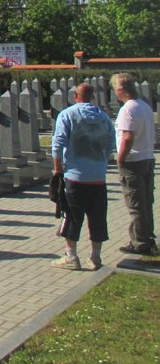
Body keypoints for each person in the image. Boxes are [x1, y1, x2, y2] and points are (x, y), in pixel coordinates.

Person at [50, 82, 115, 271]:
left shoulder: (68, 114)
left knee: (71, 216)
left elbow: (58, 142)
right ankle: (95, 257)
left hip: (75, 175)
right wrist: (102, 161)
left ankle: (71, 256)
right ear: (92, 97)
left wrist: (57, 169)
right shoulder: (103, 117)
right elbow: (111, 142)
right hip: (98, 176)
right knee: (97, 217)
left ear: (75, 96)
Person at [110, 73, 157, 255]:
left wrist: (120, 158)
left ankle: (140, 242)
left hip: (133, 161)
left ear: (121, 89)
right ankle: (148, 236)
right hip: (147, 157)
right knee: (146, 202)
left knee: (135, 204)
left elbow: (127, 137)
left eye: (115, 89)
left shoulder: (127, 109)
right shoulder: (144, 106)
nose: (115, 93)